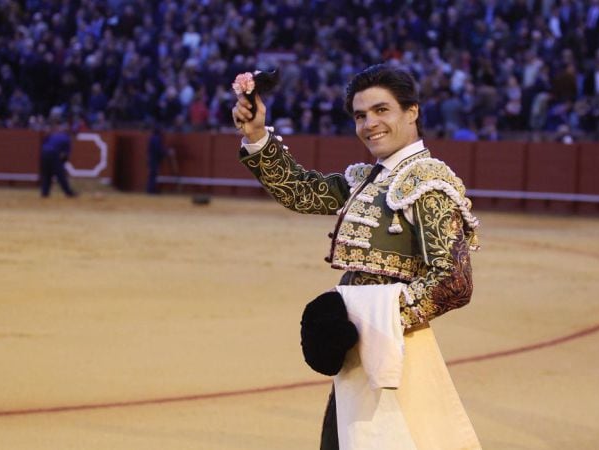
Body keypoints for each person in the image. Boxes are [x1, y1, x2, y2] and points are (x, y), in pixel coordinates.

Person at [232, 64, 481, 449]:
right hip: (362, 353)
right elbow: (302, 192)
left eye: (382, 110)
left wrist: (367, 317)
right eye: (361, 115)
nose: (369, 124)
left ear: (411, 112)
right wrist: (256, 135)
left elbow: (453, 282)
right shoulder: (369, 178)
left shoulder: (429, 182)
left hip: (397, 354)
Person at [39, 118, 76, 198]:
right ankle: (68, 192)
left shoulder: (54, 134)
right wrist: (61, 165)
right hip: (53, 154)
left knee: (47, 174)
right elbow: (65, 155)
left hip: (44, 153)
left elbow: (44, 142)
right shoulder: (67, 139)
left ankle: (45, 193)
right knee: (61, 175)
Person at [145, 124, 174, 194]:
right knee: (153, 174)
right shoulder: (156, 138)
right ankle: (151, 190)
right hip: (154, 159)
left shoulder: (153, 138)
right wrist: (168, 152)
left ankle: (151, 189)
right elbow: (158, 149)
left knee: (153, 174)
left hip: (152, 158)